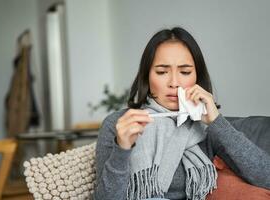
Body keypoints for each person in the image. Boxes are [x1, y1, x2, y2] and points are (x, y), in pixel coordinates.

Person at [93, 27, 270, 200]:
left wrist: (217, 121)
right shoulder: (118, 123)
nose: (174, 82)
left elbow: (266, 177)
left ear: (196, 78)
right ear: (147, 76)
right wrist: (121, 148)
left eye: (185, 72)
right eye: (162, 72)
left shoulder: (206, 127)